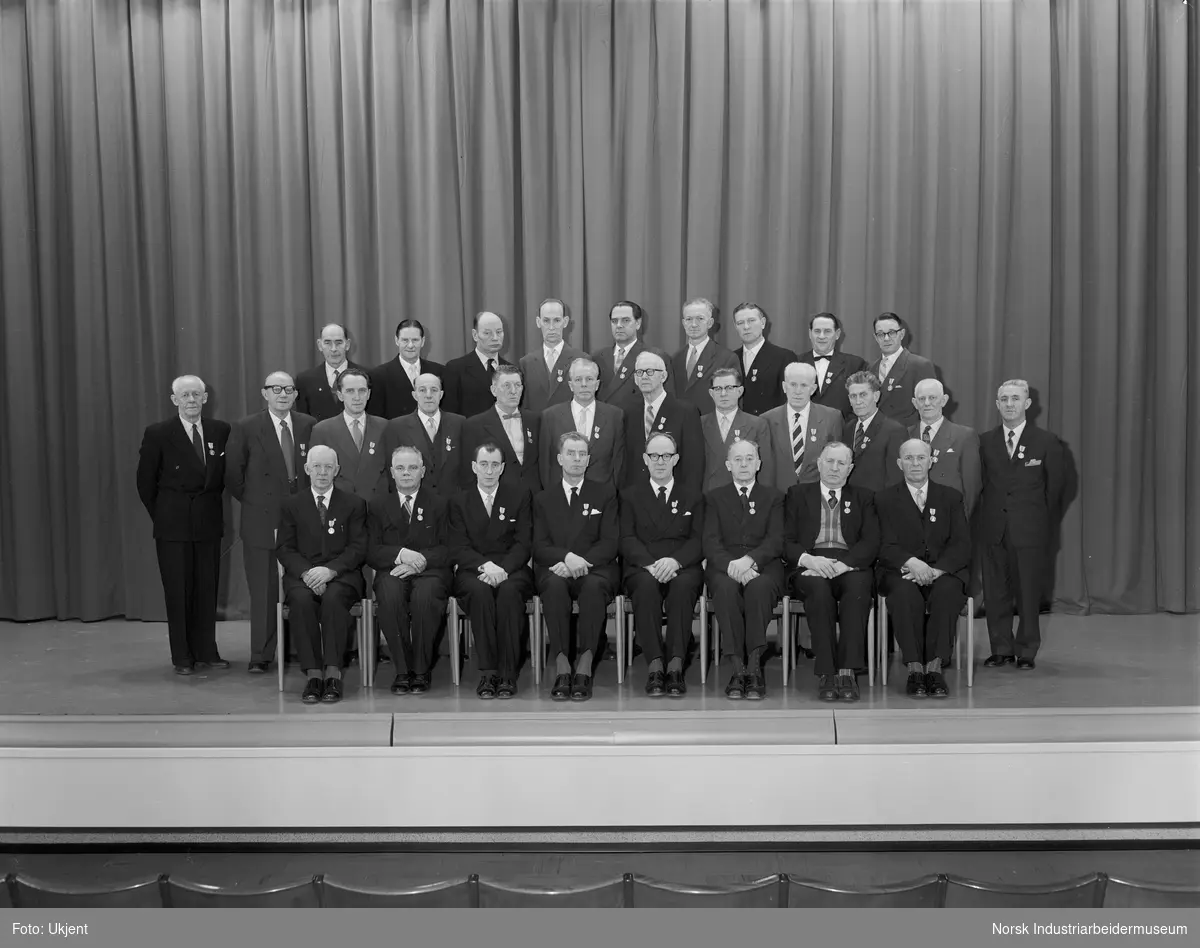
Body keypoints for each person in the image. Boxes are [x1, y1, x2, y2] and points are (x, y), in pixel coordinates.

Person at [136, 375, 231, 675]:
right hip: (173, 525)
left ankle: (207, 650)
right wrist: (165, 513)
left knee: (207, 588)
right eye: (185, 395)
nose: (191, 400)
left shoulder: (219, 430)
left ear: (205, 398)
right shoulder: (159, 433)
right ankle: (183, 657)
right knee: (178, 591)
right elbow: (145, 483)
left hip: (208, 521)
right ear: (174, 400)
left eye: (196, 394)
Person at [225, 371, 315, 674]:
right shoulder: (246, 427)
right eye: (276, 389)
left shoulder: (308, 425)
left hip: (301, 521)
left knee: (304, 587)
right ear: (265, 393)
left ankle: (305, 653)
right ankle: (261, 655)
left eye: (289, 389)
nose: (283, 394)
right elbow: (233, 477)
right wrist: (258, 504)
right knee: (264, 592)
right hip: (261, 520)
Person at [978, 379, 1065, 671]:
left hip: (1029, 530)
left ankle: (1027, 649)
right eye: (1004, 399)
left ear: (1027, 403)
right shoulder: (984, 441)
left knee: (1028, 593)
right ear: (997, 404)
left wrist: (1037, 518)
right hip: (993, 529)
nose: (1010, 404)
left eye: (1016, 398)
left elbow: (1057, 488)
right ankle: (1000, 648)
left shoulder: (1046, 441)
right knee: (995, 593)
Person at [784, 442, 879, 702]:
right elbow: (786, 540)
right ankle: (827, 671)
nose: (835, 468)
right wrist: (809, 561)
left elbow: (870, 541)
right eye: (830, 461)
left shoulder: (865, 497)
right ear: (819, 463)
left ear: (850, 468)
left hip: (850, 563)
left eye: (841, 463)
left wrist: (843, 565)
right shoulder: (797, 494)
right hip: (810, 563)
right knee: (819, 592)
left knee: (858, 592)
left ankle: (847, 672)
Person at [875, 439, 971, 698]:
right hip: (901, 572)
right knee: (904, 594)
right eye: (908, 458)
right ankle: (915, 668)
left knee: (948, 592)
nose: (915, 463)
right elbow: (882, 544)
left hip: (942, 573)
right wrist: (911, 562)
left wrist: (938, 570)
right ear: (899, 463)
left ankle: (935, 667)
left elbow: (962, 544)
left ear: (931, 461)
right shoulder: (883, 499)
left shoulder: (951, 497)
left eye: (920, 458)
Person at [275, 445, 368, 704]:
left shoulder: (354, 504)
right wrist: (307, 573)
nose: (323, 472)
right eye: (317, 466)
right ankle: (314, 675)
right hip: (302, 575)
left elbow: (359, 547)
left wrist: (330, 571)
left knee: (334, 599)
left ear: (337, 470)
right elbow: (284, 547)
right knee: (302, 601)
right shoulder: (291, 505)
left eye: (329, 467)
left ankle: (333, 673)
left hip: (341, 575)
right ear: (307, 469)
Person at [532, 433, 620, 702]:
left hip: (596, 567)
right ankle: (561, 666)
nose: (576, 459)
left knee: (593, 588)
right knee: (554, 589)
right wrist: (567, 559)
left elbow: (610, 542)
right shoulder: (544, 498)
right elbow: (538, 544)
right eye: (571, 453)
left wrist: (581, 562)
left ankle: (584, 666)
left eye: (582, 454)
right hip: (556, 568)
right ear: (560, 458)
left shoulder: (605, 493)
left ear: (589, 460)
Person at [619, 432, 705, 698]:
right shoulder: (630, 496)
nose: (660, 461)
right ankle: (655, 664)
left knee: (682, 588)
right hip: (644, 567)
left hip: (681, 565)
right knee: (645, 588)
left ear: (675, 459)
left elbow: (699, 538)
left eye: (666, 456)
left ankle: (676, 665)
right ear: (645, 459)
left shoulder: (693, 495)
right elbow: (625, 537)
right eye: (654, 456)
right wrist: (649, 563)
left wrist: (675, 561)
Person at [447, 443, 535, 699]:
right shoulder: (459, 501)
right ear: (474, 467)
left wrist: (503, 569)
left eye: (495, 464)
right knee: (480, 592)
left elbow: (524, 543)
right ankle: (488, 672)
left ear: (503, 468)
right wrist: (485, 567)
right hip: (474, 569)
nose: (489, 470)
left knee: (509, 593)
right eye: (483, 464)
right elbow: (458, 546)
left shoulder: (519, 496)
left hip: (512, 568)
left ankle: (508, 674)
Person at [702, 439, 785, 701]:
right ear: (728, 465)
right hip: (724, 564)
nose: (744, 464)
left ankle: (754, 665)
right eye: (738, 459)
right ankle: (738, 669)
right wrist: (732, 565)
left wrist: (750, 561)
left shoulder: (774, 497)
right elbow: (710, 541)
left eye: (750, 458)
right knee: (725, 589)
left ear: (758, 463)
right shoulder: (714, 498)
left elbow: (776, 539)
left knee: (759, 587)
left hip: (763, 564)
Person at [366, 446, 452, 695]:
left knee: (426, 595)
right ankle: (403, 670)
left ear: (422, 471)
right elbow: (371, 550)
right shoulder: (377, 505)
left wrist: (421, 559)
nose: (406, 473)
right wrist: (402, 555)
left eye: (413, 468)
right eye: (401, 468)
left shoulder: (439, 504)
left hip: (431, 571)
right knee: (389, 594)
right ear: (392, 472)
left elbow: (450, 548)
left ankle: (422, 669)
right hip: (393, 570)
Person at [539, 357, 626, 488]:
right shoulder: (550, 416)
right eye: (578, 380)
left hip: (603, 497)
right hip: (561, 497)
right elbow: (545, 464)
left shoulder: (615, 416)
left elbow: (618, 463)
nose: (584, 384)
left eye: (589, 379)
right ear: (570, 385)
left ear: (597, 385)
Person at [623, 351, 704, 490]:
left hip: (675, 495)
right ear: (635, 379)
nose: (644, 377)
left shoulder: (685, 411)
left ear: (663, 376)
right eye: (640, 372)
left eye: (650, 372)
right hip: (636, 497)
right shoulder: (628, 412)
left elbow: (694, 463)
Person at [761, 362, 844, 490]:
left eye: (804, 385)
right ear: (784, 387)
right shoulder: (766, 420)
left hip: (816, 496)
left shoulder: (832, 418)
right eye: (793, 385)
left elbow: (836, 463)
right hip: (779, 496)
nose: (797, 391)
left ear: (813, 388)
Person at [310, 369, 390, 503]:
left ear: (369, 394)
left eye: (362, 391)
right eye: (350, 391)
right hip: (340, 508)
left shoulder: (385, 427)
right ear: (340, 395)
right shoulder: (322, 430)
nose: (357, 397)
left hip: (378, 508)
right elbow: (316, 475)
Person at [381, 373, 465, 499]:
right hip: (417, 504)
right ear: (414, 395)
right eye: (422, 390)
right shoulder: (396, 427)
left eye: (434, 390)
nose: (428, 395)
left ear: (441, 394)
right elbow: (390, 471)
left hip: (454, 503)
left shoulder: (460, 423)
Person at [461, 365, 541, 494]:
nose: (513, 391)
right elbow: (468, 472)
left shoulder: (535, 420)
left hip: (533, 496)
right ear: (494, 390)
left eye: (517, 385)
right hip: (498, 497)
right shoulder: (474, 425)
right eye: (507, 386)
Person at [908, 378, 982, 518]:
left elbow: (971, 488)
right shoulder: (904, 435)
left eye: (932, 398)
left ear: (944, 400)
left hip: (949, 519)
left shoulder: (964, 436)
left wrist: (961, 523)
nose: (927, 403)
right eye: (922, 398)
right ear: (915, 403)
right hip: (911, 520)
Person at [700, 367, 774, 491]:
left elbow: (765, 470)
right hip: (708, 497)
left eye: (729, 388)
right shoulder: (699, 424)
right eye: (718, 389)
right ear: (711, 393)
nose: (723, 393)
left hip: (743, 495)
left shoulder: (757, 425)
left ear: (740, 391)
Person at [670, 297, 740, 416]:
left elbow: (733, 401)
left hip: (711, 426)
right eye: (689, 319)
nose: (693, 324)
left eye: (700, 319)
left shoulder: (726, 358)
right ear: (683, 323)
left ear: (710, 323)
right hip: (681, 425)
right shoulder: (675, 357)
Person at [867, 313, 936, 428]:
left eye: (892, 333)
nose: (886, 338)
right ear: (875, 338)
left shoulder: (920, 365)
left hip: (907, 437)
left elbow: (931, 408)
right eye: (880, 334)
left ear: (902, 334)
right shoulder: (870, 368)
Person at [518, 298, 587, 413]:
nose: (551, 327)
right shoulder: (526, 363)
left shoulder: (581, 359)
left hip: (570, 429)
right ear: (538, 322)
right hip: (537, 428)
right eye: (546, 321)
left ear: (565, 322)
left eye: (556, 320)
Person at [367, 319, 444, 420]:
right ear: (396, 340)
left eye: (415, 340)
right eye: (405, 340)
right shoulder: (378, 375)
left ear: (423, 341)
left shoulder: (439, 371)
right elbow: (376, 418)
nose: (410, 345)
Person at [441, 311, 513, 417]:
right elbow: (449, 415)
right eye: (487, 333)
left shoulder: (511, 370)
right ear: (475, 335)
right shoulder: (455, 369)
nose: (495, 337)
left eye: (499, 332)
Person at [845, 371, 906, 493]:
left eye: (863, 395)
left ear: (876, 396)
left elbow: (896, 479)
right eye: (853, 396)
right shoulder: (847, 428)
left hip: (878, 506)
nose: (858, 401)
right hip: (849, 504)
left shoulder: (894, 430)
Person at [799, 313, 868, 420]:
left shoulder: (855, 364)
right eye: (817, 331)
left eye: (827, 331)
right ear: (810, 333)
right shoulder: (795, 362)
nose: (821, 336)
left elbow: (862, 402)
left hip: (842, 432)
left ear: (837, 334)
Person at [731, 303, 796, 416]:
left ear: (763, 323)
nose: (746, 327)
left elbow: (789, 401)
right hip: (737, 428)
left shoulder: (784, 357)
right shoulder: (730, 358)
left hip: (769, 427)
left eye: (751, 320)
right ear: (735, 327)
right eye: (740, 323)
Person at [592, 300, 657, 413]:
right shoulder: (597, 358)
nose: (619, 326)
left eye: (625, 320)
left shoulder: (654, 357)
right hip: (604, 425)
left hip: (638, 424)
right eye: (614, 321)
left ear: (638, 323)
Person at [294, 324, 366, 422]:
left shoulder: (366, 375)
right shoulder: (305, 380)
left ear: (347, 345)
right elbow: (302, 421)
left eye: (339, 342)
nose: (333, 349)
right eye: (327, 343)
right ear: (319, 345)